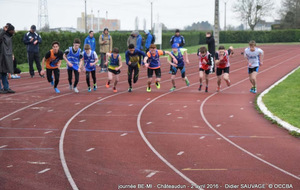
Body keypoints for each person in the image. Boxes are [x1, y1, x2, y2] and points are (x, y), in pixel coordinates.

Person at [0, 23, 15, 94]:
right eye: (12, 30)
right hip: (1, 56)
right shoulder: (2, 35)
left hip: (6, 57)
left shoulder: (9, 37)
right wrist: (3, 30)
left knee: (4, 72)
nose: (13, 32)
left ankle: (6, 87)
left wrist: (12, 54)